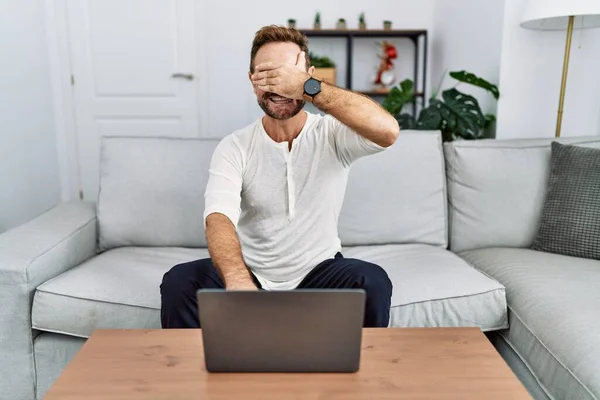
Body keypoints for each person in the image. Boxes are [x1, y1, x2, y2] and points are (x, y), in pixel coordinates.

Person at [160, 25, 400, 329]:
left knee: (373, 281)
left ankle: (356, 375)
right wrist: (237, 281)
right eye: (266, 76)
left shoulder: (332, 135)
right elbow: (219, 217)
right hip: (252, 273)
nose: (279, 87)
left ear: (309, 75)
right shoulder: (235, 147)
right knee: (179, 281)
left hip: (320, 272)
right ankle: (195, 374)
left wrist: (308, 87)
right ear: (252, 82)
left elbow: (388, 131)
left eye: (287, 75)